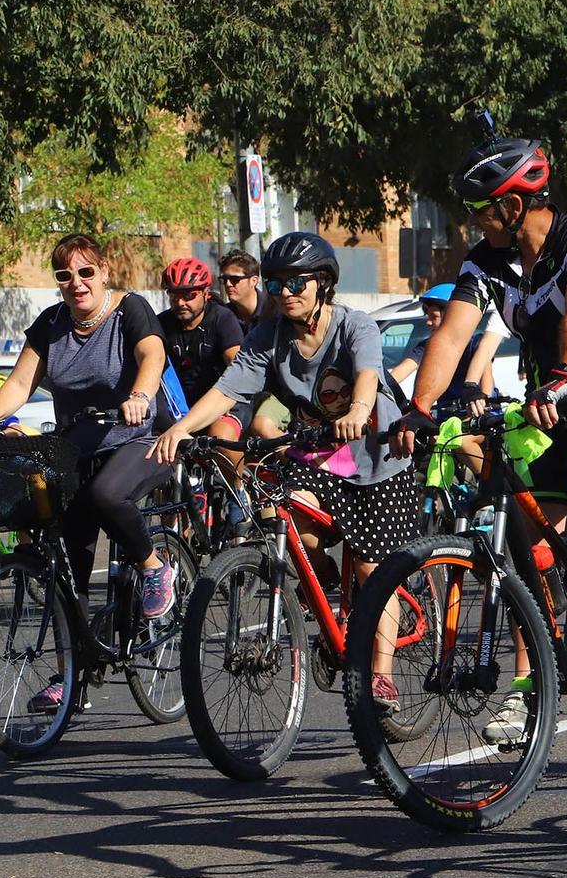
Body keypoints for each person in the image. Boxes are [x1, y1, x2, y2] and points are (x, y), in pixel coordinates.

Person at [394, 135, 567, 631]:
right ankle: (528, 688)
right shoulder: (484, 261)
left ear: (513, 204)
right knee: (526, 556)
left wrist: (564, 375)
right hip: (546, 404)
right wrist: (421, 405)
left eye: (479, 210)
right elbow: (451, 337)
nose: (472, 221)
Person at [155, 233, 416, 706]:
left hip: (375, 456)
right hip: (316, 454)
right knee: (285, 516)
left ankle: (381, 674)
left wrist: (359, 410)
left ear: (323, 284)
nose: (286, 292)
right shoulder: (267, 336)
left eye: (297, 282)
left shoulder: (354, 325)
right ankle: (328, 593)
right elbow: (227, 388)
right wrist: (181, 429)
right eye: (276, 284)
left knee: (372, 568)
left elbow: (367, 373)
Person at [0, 234, 178, 712]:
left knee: (108, 495)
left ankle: (154, 568)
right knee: (65, 562)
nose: (77, 283)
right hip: (75, 449)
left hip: (140, 440)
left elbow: (152, 355)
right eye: (65, 276)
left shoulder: (128, 310)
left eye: (86, 272)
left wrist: (139, 395)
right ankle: (72, 674)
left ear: (104, 271)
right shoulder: (51, 324)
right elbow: (20, 384)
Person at [157, 257, 246, 442]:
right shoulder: (162, 323)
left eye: (189, 295)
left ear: (206, 293)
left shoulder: (222, 318)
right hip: (181, 404)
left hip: (225, 397)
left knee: (220, 436)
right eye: (174, 296)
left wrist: (224, 403)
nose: (180, 302)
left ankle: (235, 472)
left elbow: (237, 368)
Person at [388, 282, 506, 398]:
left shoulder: (476, 344)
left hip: (479, 409)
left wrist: (484, 399)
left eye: (434, 317)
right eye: (427, 316)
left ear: (452, 315)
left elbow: (486, 384)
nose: (428, 322)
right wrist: (381, 388)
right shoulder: (426, 347)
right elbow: (400, 372)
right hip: (447, 414)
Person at [217, 250, 263, 334]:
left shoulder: (274, 312)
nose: (228, 284)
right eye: (224, 279)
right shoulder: (223, 316)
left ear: (253, 281)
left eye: (235, 279)